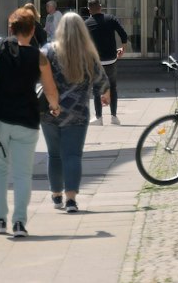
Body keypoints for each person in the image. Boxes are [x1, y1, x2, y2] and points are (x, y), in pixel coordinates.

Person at [0, 5, 56, 239]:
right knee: (22, 174)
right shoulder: (39, 57)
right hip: (26, 120)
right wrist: (55, 107)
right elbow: (50, 90)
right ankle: (19, 223)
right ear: (32, 30)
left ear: (11, 28)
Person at [42, 12, 111, 213]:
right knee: (72, 156)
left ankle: (56, 195)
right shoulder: (88, 54)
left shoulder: (48, 51)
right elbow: (102, 81)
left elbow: (38, 77)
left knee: (54, 155)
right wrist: (105, 95)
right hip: (77, 113)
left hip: (50, 111)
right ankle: (71, 199)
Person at [83, 0, 130, 124]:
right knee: (113, 87)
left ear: (89, 10)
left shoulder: (86, 24)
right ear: (101, 7)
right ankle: (114, 117)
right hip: (111, 60)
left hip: (96, 62)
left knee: (97, 88)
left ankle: (99, 117)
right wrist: (123, 47)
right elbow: (123, 34)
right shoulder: (111, 19)